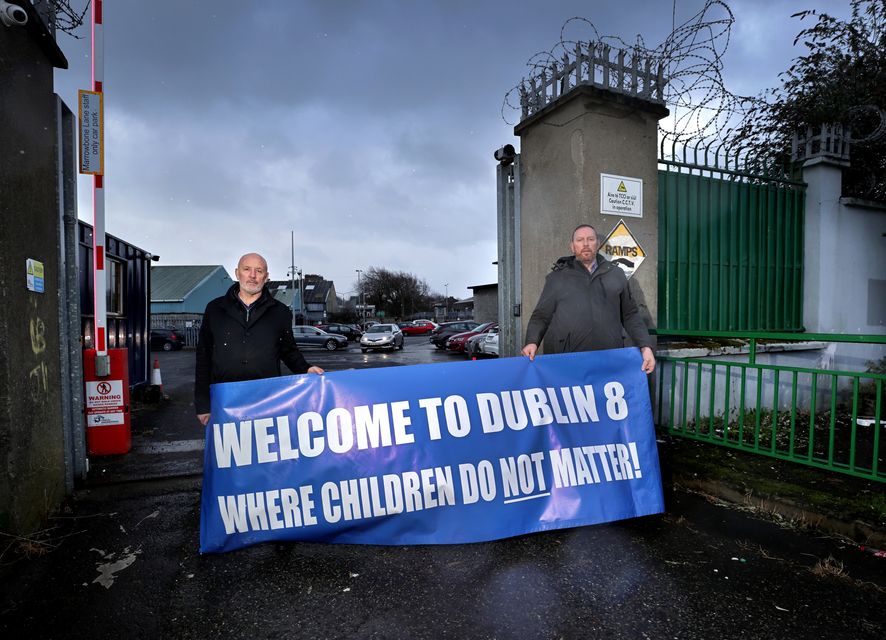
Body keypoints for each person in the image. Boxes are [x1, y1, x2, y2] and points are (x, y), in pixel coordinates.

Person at [195, 253, 323, 425]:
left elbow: (289, 351)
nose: (252, 275)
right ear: (237, 273)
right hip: (225, 399)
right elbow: (204, 357)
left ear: (266, 277)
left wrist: (307, 369)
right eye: (247, 269)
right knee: (230, 450)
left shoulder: (280, 312)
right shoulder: (215, 309)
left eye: (259, 271)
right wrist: (203, 404)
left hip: (267, 400)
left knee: (267, 449)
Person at [521, 224, 655, 373]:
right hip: (570, 361)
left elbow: (630, 315)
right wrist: (532, 342)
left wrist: (645, 346)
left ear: (597, 244)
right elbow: (541, 316)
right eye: (580, 240)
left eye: (590, 239)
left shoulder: (616, 274)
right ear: (572, 246)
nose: (585, 244)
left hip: (609, 359)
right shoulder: (557, 278)